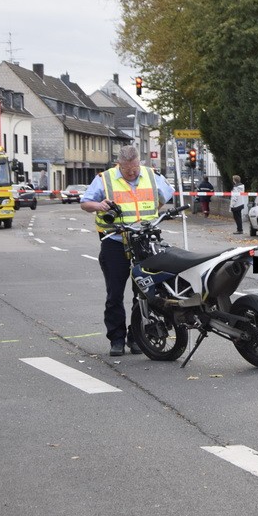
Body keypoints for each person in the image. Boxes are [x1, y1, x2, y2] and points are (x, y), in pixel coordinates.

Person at [80, 145, 175, 357]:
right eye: (127, 169)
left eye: (134, 168)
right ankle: (116, 339)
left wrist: (152, 212)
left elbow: (167, 194)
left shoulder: (151, 175)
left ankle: (137, 338)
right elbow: (85, 203)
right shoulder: (105, 178)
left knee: (143, 293)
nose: (131, 173)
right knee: (115, 293)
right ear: (119, 164)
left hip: (144, 240)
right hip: (116, 241)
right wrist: (100, 205)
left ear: (139, 162)